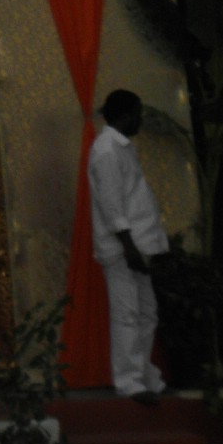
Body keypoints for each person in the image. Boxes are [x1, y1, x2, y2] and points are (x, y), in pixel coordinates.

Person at [87, 89, 169, 403]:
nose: (141, 120)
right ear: (125, 115)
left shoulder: (122, 147)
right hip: (124, 249)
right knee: (127, 314)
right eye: (138, 113)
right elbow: (111, 206)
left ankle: (145, 375)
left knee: (147, 313)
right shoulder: (106, 149)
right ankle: (129, 383)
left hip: (140, 245)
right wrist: (130, 247)